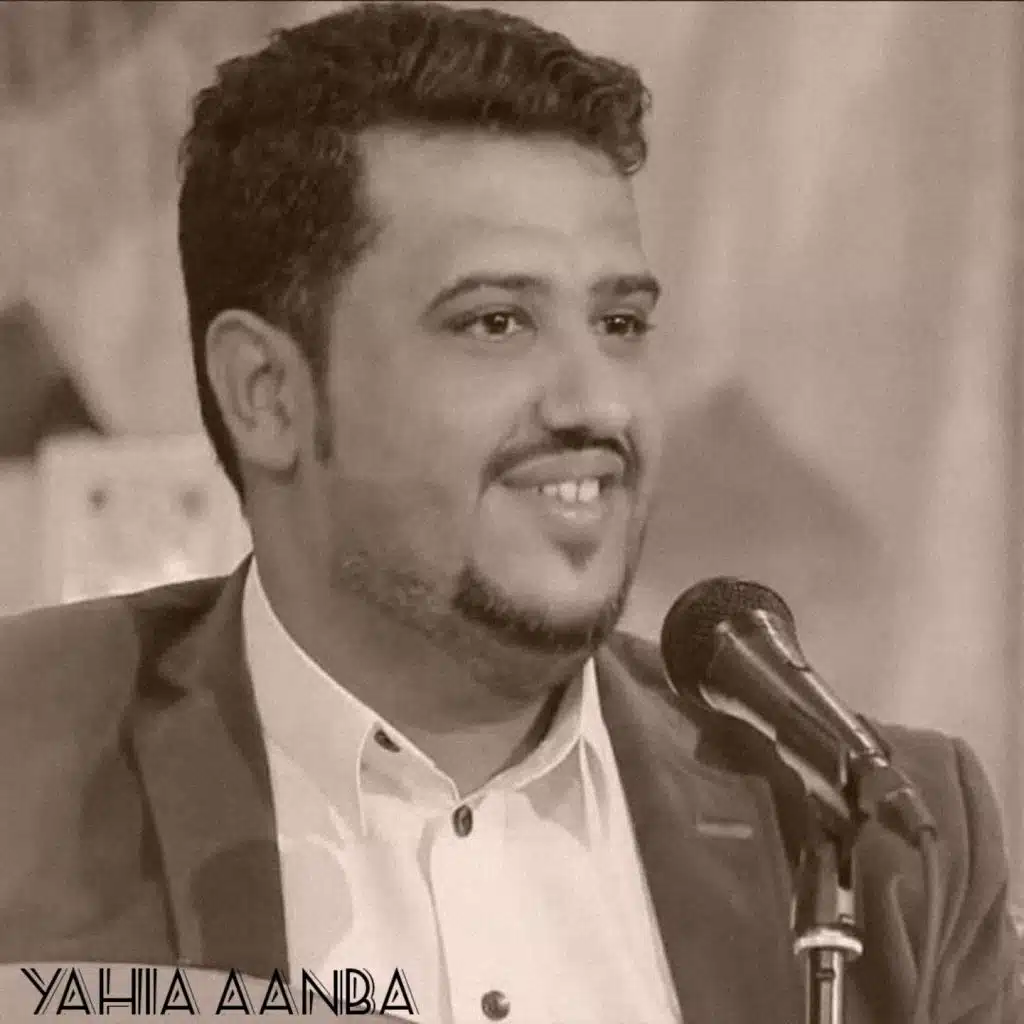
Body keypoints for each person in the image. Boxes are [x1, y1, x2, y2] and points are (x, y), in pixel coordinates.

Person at [0, 2, 1018, 1022]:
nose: (597, 404)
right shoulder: (24, 768)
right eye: (495, 322)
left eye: (620, 322)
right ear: (267, 394)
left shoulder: (874, 839)